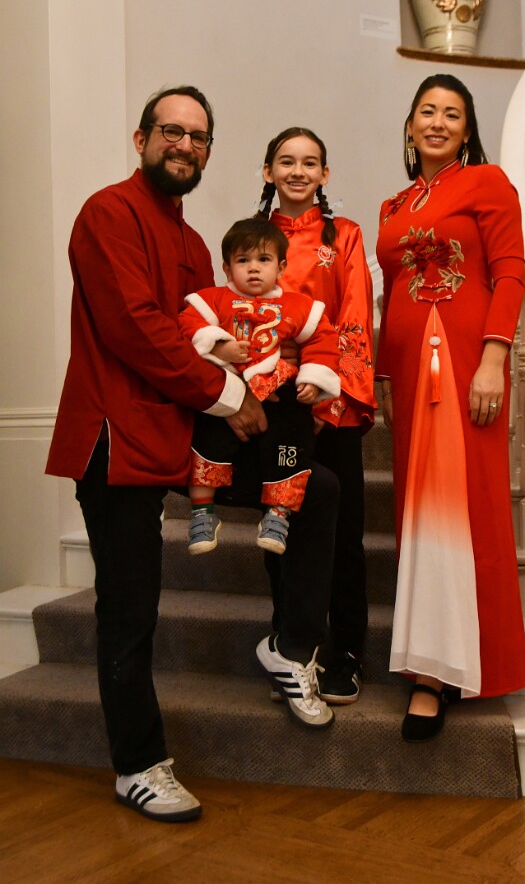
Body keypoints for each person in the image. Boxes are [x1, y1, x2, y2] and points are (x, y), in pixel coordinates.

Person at [45, 88, 338, 824]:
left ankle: (289, 643)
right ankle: (138, 765)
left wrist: (267, 376)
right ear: (141, 136)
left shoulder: (191, 242)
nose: (184, 145)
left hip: (177, 434)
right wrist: (228, 392)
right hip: (115, 440)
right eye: (171, 131)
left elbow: (200, 328)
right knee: (130, 608)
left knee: (317, 486)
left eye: (198, 137)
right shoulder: (106, 213)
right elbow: (138, 330)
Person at [375, 74, 525, 741]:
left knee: (467, 506)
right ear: (410, 126)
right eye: (427, 112)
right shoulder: (393, 204)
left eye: (452, 114)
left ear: (467, 131)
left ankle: (443, 675)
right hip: (409, 374)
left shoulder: (488, 183)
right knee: (418, 513)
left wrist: (494, 357)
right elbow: (391, 292)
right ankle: (429, 656)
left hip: (468, 365)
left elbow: (511, 272)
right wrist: (382, 372)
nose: (438, 122)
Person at [256, 127, 375, 704]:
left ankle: (346, 652)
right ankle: (291, 646)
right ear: (268, 172)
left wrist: (330, 401)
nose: (298, 171)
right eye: (286, 161)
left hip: (331, 405)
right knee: (281, 529)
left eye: (310, 163)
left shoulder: (345, 237)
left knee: (343, 536)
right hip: (275, 405)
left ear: (325, 175)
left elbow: (354, 319)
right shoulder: (254, 237)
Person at [179, 217, 340, 555]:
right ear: (227, 267)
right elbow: (186, 326)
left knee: (292, 441)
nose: (253, 269)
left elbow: (322, 340)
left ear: (281, 266)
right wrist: (218, 345)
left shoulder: (298, 307)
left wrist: (313, 378)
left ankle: (278, 514)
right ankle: (203, 512)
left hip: (278, 393)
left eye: (263, 260)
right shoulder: (214, 301)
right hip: (230, 394)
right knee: (206, 436)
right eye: (243, 260)